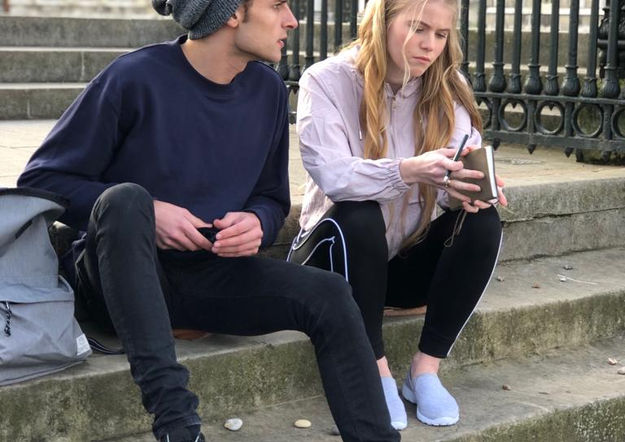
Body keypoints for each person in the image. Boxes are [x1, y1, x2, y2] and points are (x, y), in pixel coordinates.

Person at [17, 0, 401, 441]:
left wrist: (257, 222)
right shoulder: (134, 78)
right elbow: (42, 181)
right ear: (232, 12)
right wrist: (151, 213)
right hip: (114, 278)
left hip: (210, 276)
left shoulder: (268, 91)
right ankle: (178, 426)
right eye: (277, 5)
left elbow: (272, 197)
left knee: (329, 293)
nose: (292, 20)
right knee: (127, 200)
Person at [288, 0, 508, 431]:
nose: (430, 46)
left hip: (402, 268)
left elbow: (451, 176)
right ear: (383, 22)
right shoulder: (326, 79)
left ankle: (425, 370)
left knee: (482, 220)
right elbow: (333, 175)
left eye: (441, 35)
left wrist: (466, 191)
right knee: (360, 211)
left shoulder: (448, 85)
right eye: (418, 29)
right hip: (333, 261)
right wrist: (407, 170)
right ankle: (376, 371)